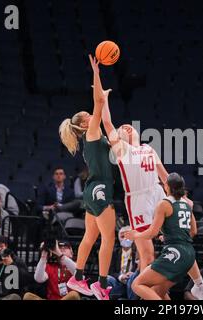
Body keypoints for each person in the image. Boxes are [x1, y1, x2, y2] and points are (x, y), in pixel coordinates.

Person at [100, 88, 203, 300]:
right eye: (123, 128)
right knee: (147, 253)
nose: (126, 127)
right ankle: (146, 294)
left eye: (130, 126)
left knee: (181, 237)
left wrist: (181, 196)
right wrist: (104, 101)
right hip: (138, 199)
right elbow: (107, 123)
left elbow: (165, 176)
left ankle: (199, 286)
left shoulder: (148, 149)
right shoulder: (122, 150)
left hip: (158, 192)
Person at [60, 54, 116, 300]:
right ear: (84, 122)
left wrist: (103, 94)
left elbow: (103, 109)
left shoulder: (93, 134)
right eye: (88, 114)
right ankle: (101, 284)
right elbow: (98, 104)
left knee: (91, 236)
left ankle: (78, 278)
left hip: (92, 188)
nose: (91, 114)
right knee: (108, 237)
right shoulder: (91, 132)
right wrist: (96, 73)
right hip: (101, 187)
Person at [124, 173, 201, 300]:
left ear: (167, 186)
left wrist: (136, 235)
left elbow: (152, 233)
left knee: (137, 284)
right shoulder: (187, 204)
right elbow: (193, 231)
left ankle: (201, 287)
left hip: (175, 253)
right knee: (157, 291)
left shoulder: (164, 204)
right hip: (189, 256)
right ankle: (201, 286)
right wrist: (170, 237)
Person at [107, 226, 138, 299]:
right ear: (119, 238)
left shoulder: (137, 251)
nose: (125, 238)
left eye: (127, 236)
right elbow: (109, 271)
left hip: (132, 282)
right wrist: (121, 276)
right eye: (122, 236)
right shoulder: (114, 253)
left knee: (133, 277)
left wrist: (132, 274)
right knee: (106, 278)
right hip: (118, 282)